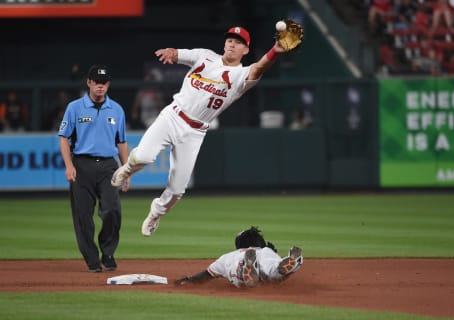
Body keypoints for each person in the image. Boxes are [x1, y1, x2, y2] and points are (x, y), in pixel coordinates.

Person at [111, 25, 292, 237]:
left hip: (195, 132)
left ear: (246, 50)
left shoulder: (241, 76)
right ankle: (126, 170)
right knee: (142, 156)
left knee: (177, 190)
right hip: (172, 116)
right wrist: (172, 53)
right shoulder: (205, 56)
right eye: (230, 40)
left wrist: (274, 52)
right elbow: (180, 54)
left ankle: (155, 213)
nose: (232, 44)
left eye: (238, 42)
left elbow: (259, 68)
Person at [58, 64, 130, 273]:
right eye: (96, 82)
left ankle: (107, 253)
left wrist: (126, 171)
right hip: (82, 164)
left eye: (104, 82)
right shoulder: (74, 107)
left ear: (108, 84)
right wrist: (69, 165)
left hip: (109, 166)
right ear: (88, 82)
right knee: (83, 216)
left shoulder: (116, 109)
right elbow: (63, 138)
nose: (100, 86)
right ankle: (91, 258)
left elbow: (122, 141)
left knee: (112, 211)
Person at [174, 226, 304, 288]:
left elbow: (206, 275)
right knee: (273, 271)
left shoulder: (227, 256)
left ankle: (244, 270)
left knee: (236, 270)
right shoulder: (266, 250)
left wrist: (188, 280)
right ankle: (290, 263)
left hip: (239, 260)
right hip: (265, 255)